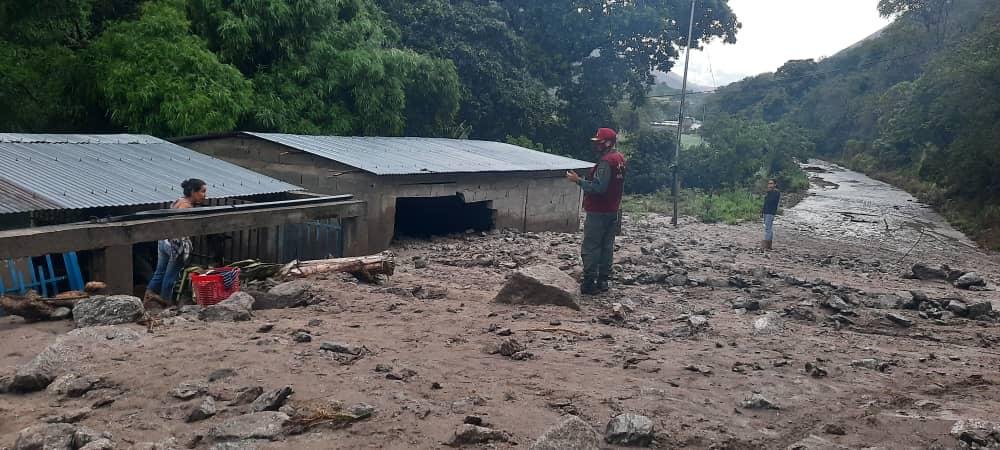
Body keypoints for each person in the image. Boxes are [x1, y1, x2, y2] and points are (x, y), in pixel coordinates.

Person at [566, 128, 627, 295]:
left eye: (599, 142)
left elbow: (599, 188)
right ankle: (603, 280)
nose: (596, 145)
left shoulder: (607, 162)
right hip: (612, 210)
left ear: (608, 143)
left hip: (598, 211)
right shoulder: (620, 159)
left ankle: (589, 282)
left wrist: (578, 180)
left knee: (592, 246)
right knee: (607, 246)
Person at [145, 179, 207, 306]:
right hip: (176, 244)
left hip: (164, 241)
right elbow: (179, 227)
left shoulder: (178, 201)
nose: (205, 195)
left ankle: (147, 298)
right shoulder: (186, 207)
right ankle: (165, 303)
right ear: (192, 192)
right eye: (202, 191)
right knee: (170, 277)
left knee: (160, 272)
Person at [761, 179, 780, 250]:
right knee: (768, 227)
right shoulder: (769, 192)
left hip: (770, 212)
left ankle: (767, 243)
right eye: (769, 183)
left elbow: (771, 201)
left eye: (771, 183)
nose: (769, 185)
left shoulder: (776, 192)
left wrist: (769, 192)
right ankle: (768, 244)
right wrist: (762, 212)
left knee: (768, 228)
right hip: (766, 211)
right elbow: (765, 203)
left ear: (775, 184)